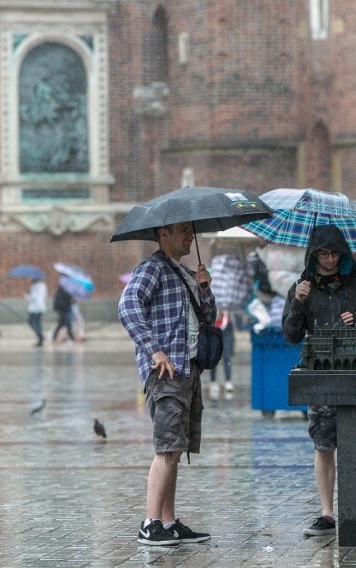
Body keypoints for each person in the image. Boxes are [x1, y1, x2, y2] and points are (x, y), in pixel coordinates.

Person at [281, 224, 356, 537]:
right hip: (321, 376)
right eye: (323, 254)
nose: (329, 260)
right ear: (313, 256)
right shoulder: (302, 287)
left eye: (334, 253)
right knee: (324, 444)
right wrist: (298, 302)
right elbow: (290, 334)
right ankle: (327, 514)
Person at [118, 221, 214, 547]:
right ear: (163, 234)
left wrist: (204, 288)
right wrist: (153, 349)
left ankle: (169, 522)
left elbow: (208, 318)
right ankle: (150, 523)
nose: (190, 236)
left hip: (187, 370)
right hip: (166, 373)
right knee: (167, 447)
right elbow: (128, 307)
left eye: (190, 230)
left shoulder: (184, 273)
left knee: (176, 448)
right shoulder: (151, 269)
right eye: (183, 230)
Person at [208, 252, 252, 400]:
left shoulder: (227, 300)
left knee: (226, 354)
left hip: (227, 327)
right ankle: (213, 382)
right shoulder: (213, 286)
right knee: (213, 355)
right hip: (214, 328)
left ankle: (228, 381)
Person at [25, 277, 48, 347]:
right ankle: (40, 338)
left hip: (34, 308)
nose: (29, 279)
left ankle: (40, 335)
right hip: (41, 306)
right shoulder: (43, 286)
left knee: (31, 321)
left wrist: (26, 296)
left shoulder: (34, 286)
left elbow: (33, 298)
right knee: (38, 322)